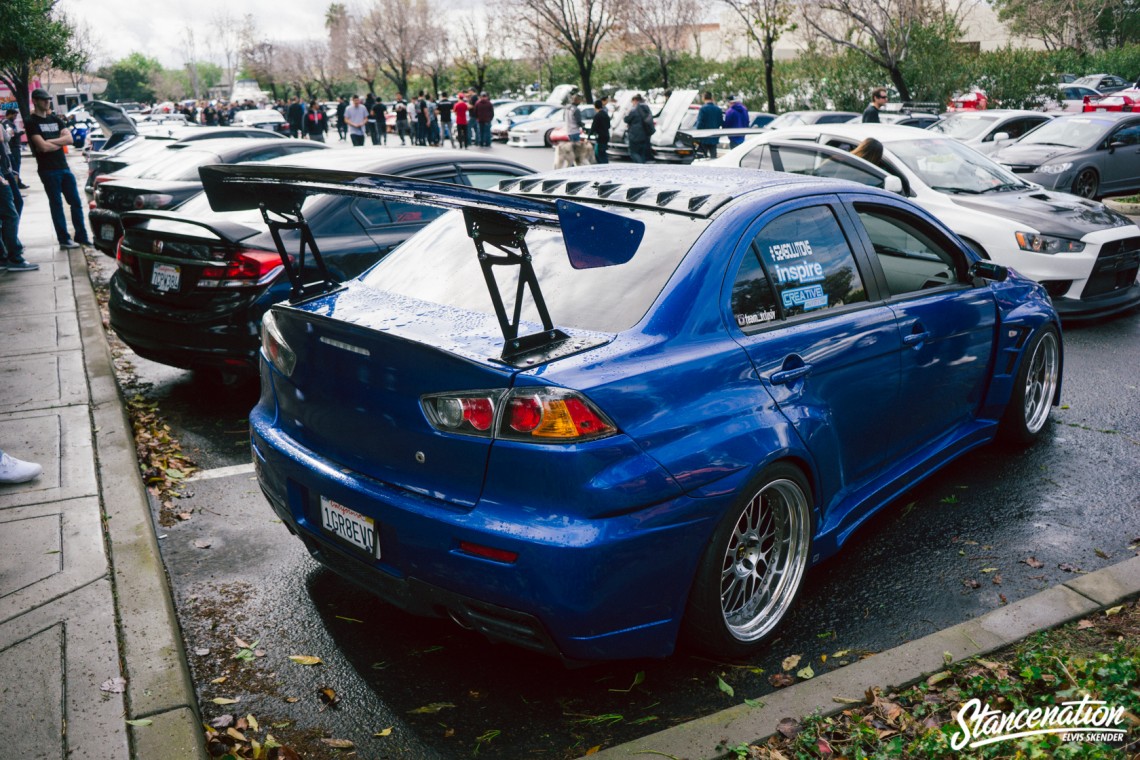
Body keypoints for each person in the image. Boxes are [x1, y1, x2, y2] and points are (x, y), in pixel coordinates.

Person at [26, 88, 90, 249]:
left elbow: (70, 139)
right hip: (48, 170)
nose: (47, 102)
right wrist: (57, 142)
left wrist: (50, 142)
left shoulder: (55, 119)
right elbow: (42, 147)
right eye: (43, 99)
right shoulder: (31, 122)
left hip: (64, 167)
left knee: (75, 202)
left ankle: (81, 236)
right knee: (57, 205)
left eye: (48, 99)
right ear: (35, 100)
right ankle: (64, 239)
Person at [0, 130, 34, 271]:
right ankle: (14, 257)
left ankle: (5, 255)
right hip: (2, 176)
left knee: (9, 213)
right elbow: (3, 137)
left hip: (4, 171)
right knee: (10, 215)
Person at [624, 94, 654, 163]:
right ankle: (642, 167)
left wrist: (627, 112)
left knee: (633, 152)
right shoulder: (647, 108)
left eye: (632, 102)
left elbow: (626, 119)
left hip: (635, 135)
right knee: (642, 153)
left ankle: (640, 166)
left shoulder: (634, 110)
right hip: (645, 135)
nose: (632, 103)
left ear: (635, 100)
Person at [695, 91, 724, 158]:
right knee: (713, 157)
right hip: (714, 137)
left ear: (704, 97)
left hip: (704, 137)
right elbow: (721, 122)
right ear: (711, 98)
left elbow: (700, 123)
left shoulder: (703, 109)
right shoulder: (718, 109)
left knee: (702, 157)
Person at [3, 111, 25, 184]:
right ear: (9, 115)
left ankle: (18, 182)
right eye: (14, 116)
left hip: (14, 146)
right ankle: (17, 183)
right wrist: (22, 132)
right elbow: (11, 135)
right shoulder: (7, 123)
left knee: (16, 166)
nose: (15, 118)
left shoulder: (10, 123)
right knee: (15, 167)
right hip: (12, 147)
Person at [589, 98, 610, 164]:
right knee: (603, 152)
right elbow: (609, 126)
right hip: (606, 135)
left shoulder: (597, 116)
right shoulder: (606, 114)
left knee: (599, 154)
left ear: (595, 106)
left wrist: (589, 136)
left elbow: (593, 127)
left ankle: (604, 166)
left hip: (600, 137)